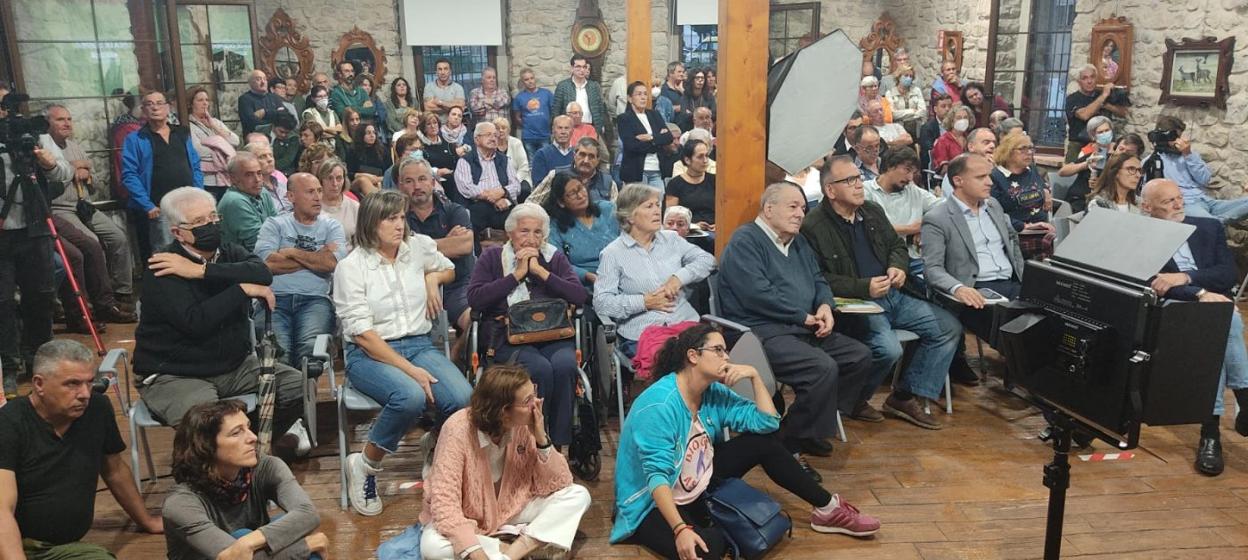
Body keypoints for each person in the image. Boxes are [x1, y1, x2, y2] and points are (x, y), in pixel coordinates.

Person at [610, 324, 880, 558]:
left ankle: (828, 508)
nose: (726, 357)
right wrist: (680, 529)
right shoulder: (660, 404)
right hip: (652, 500)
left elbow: (767, 423)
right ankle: (697, 523)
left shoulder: (712, 391)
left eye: (725, 350)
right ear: (693, 356)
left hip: (694, 478)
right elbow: (656, 476)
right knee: (709, 548)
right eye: (718, 350)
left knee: (764, 443)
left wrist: (754, 376)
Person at [333, 191, 473, 516]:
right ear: (371, 223)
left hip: (419, 344)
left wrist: (431, 278)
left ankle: (435, 444)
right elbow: (364, 336)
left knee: (463, 398)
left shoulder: (418, 247)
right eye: (390, 219)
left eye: (401, 217)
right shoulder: (351, 267)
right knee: (410, 396)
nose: (400, 225)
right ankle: (365, 465)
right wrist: (412, 371)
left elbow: (449, 268)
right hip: (369, 353)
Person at [134, 186, 305, 447]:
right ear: (177, 232)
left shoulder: (228, 253)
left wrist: (202, 272)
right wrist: (240, 289)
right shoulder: (163, 266)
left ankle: (251, 446)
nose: (211, 225)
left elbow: (262, 274)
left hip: (232, 365)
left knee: (298, 387)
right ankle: (215, 467)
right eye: (200, 222)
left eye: (214, 218)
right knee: (206, 419)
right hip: (176, 372)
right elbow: (195, 322)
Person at [802, 155, 961, 430]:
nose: (859, 185)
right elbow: (818, 278)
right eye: (849, 180)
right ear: (830, 190)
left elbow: (896, 247)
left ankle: (903, 395)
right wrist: (864, 287)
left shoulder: (872, 211)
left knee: (948, 328)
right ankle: (853, 400)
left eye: (858, 178)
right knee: (887, 350)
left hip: (893, 294)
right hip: (855, 303)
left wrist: (897, 267)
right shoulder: (814, 226)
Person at [719, 183, 874, 457]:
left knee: (859, 356)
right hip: (759, 331)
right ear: (769, 209)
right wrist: (802, 317)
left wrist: (825, 305)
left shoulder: (799, 242)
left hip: (803, 327)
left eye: (803, 208)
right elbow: (757, 295)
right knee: (822, 368)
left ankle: (798, 428)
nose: (801, 214)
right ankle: (795, 440)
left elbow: (818, 280)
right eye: (792, 207)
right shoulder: (745, 241)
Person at [0, 340, 164, 560]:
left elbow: (114, 470)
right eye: (72, 384)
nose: (85, 393)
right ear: (39, 384)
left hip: (57, 549)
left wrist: (147, 521)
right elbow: (2, 510)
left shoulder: (98, 409)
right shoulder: (9, 423)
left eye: (89, 382)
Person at [419, 365, 591, 560]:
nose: (537, 403)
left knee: (578, 495)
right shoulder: (456, 430)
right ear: (503, 412)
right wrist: (477, 554)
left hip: (512, 508)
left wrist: (542, 439)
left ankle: (512, 552)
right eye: (528, 401)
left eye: (534, 394)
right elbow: (445, 505)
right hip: (469, 517)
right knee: (433, 547)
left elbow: (559, 482)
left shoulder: (524, 425)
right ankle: (520, 543)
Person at [1138, 178, 1247, 476]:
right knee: (1226, 317)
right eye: (1168, 202)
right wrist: (1197, 292)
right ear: (1148, 207)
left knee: (1221, 320)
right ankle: (1244, 397)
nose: (1178, 205)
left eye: (1179, 198)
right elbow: (1153, 283)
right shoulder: (1143, 235)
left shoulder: (1208, 227)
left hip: (1206, 301)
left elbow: (1226, 274)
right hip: (1171, 307)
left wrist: (1184, 277)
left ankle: (1211, 432)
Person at [466, 203, 588, 449]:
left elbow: (579, 296)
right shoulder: (492, 257)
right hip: (507, 337)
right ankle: (534, 441)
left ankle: (558, 446)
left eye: (537, 232)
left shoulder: (553, 257)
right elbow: (475, 299)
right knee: (539, 369)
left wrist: (541, 273)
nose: (531, 238)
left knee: (565, 366)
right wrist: (517, 275)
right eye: (524, 231)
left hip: (553, 334)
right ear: (510, 232)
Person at [162, 400, 327, 560]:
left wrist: (249, 542)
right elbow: (234, 557)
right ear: (206, 447)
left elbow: (307, 513)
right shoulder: (180, 504)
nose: (253, 437)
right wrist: (305, 546)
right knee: (250, 536)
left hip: (254, 550)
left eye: (247, 427)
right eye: (236, 432)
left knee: (285, 527)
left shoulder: (266, 466)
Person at [595, 183, 714, 355]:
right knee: (673, 360)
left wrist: (678, 278)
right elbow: (602, 303)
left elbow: (707, 260)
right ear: (630, 217)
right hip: (642, 332)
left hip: (684, 323)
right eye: (649, 206)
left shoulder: (671, 239)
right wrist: (643, 302)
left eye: (658, 205)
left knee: (713, 355)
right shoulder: (612, 254)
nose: (657, 211)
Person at [921, 154, 1025, 342]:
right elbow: (932, 269)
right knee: (1016, 333)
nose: (990, 182)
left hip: (1012, 283)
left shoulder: (993, 205)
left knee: (1053, 317)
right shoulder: (938, 218)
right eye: (980, 177)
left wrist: (1024, 275)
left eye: (989, 175)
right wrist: (958, 288)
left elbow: (1012, 241)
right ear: (958, 181)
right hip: (975, 288)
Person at [43, 104, 136, 309]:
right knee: (91, 242)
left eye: (69, 119)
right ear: (47, 123)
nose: (66, 123)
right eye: (60, 120)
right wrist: (75, 167)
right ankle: (96, 300)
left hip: (83, 204)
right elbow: (52, 182)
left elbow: (90, 182)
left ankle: (123, 292)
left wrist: (87, 173)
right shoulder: (45, 151)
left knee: (118, 237)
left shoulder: (75, 146)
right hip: (60, 208)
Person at [255, 172, 346, 371]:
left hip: (315, 300)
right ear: (291, 197)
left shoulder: (332, 226)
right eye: (310, 192)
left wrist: (291, 252)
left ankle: (308, 401)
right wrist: (316, 255)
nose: (317, 197)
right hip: (274, 300)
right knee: (279, 358)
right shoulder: (274, 224)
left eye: (319, 191)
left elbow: (331, 263)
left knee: (311, 355)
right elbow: (268, 264)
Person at [399, 158, 475, 352]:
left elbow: (465, 245)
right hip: (412, 289)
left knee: (476, 322)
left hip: (458, 285)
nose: (417, 186)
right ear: (400, 186)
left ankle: (456, 360)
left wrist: (416, 245)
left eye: (422, 179)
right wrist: (446, 241)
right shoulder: (396, 217)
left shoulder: (454, 211)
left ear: (433, 182)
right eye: (409, 181)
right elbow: (398, 253)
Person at [122, 89, 204, 256]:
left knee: (192, 250)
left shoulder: (181, 133)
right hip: (159, 208)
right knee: (165, 254)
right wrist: (147, 205)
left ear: (168, 108)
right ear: (143, 110)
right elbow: (129, 175)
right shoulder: (136, 139)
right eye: (149, 104)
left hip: (187, 206)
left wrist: (198, 193)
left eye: (159, 103)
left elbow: (195, 166)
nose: (155, 108)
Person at [1145, 115, 1248, 223]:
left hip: (1205, 200)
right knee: (1211, 224)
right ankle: (1214, 223)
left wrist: (1188, 155)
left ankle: (1216, 222)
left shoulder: (1189, 154)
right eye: (1174, 137)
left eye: (1179, 136)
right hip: (1186, 204)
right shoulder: (1152, 162)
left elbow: (1205, 180)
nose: (1178, 141)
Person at [543, 170, 620, 286]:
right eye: (573, 193)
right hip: (586, 283)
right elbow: (558, 262)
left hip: (620, 272)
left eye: (581, 188)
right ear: (561, 202)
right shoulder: (555, 226)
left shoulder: (607, 209)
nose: (580, 195)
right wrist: (587, 276)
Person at [865, 148, 939, 263]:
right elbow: (871, 230)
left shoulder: (912, 190)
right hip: (883, 259)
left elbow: (944, 208)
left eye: (913, 173)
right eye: (907, 170)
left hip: (916, 257)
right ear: (890, 166)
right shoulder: (866, 191)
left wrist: (925, 228)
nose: (910, 178)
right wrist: (912, 229)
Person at [990, 131, 1055, 260]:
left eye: (1031, 148)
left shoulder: (1031, 170)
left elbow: (1040, 185)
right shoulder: (995, 177)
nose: (1029, 152)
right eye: (1023, 149)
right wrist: (1025, 226)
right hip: (1016, 235)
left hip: (1042, 231)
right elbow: (994, 213)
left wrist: (1046, 191)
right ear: (1008, 152)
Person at [455, 122, 520, 235]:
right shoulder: (465, 161)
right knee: (475, 214)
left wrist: (502, 192)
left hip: (503, 202)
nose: (493, 138)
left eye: (495, 135)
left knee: (520, 218)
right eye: (488, 135)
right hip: (478, 204)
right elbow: (466, 188)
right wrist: (490, 197)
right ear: (476, 139)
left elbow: (516, 185)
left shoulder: (504, 160)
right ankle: (476, 252)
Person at [1064, 64, 1128, 163]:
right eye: (1085, 78)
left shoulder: (1100, 95)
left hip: (1102, 145)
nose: (1089, 81)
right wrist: (1104, 96)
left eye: (1092, 77)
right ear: (1079, 82)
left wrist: (1107, 105)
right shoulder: (1072, 99)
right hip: (1079, 146)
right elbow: (1084, 115)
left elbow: (1123, 113)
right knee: (1074, 174)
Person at [618, 81, 675, 189]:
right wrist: (658, 140)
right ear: (630, 98)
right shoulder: (624, 118)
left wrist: (651, 137)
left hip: (657, 168)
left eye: (645, 94)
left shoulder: (655, 115)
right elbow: (632, 145)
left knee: (659, 201)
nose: (643, 97)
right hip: (637, 170)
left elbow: (668, 137)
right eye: (639, 94)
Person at [186, 87, 240, 199]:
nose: (205, 103)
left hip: (226, 179)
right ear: (191, 104)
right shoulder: (188, 125)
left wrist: (215, 127)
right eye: (200, 100)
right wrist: (225, 150)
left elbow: (235, 141)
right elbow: (198, 150)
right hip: (207, 179)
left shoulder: (216, 122)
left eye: (206, 100)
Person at [218, 152, 277, 253]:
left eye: (259, 173)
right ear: (233, 178)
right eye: (249, 175)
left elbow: (278, 227)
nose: (257, 180)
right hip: (242, 263)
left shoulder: (263, 192)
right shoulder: (235, 201)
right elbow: (258, 245)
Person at [1058, 115, 1114, 213]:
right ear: (1093, 136)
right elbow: (1063, 172)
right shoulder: (1090, 153)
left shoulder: (1117, 151)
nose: (1105, 134)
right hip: (1081, 199)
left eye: (1107, 130)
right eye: (1100, 132)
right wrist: (1086, 164)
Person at [665, 139, 716, 231]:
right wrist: (694, 226)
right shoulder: (675, 184)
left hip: (714, 230)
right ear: (687, 160)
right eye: (700, 157)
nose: (705, 160)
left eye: (707, 156)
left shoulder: (715, 180)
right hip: (688, 231)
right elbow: (671, 217)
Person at [512, 67, 555, 157]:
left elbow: (553, 112)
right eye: (526, 79)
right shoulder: (519, 97)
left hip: (545, 135)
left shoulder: (546, 94)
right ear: (523, 82)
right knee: (531, 164)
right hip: (528, 137)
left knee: (546, 161)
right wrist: (528, 124)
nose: (530, 81)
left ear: (535, 78)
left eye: (531, 78)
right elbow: (517, 117)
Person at [419, 112, 464, 199]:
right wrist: (438, 171)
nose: (433, 126)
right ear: (423, 128)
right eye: (428, 124)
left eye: (435, 123)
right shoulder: (421, 146)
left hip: (453, 177)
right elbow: (421, 168)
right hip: (433, 181)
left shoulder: (448, 143)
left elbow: (458, 161)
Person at [316, 158, 359, 248]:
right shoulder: (312, 206)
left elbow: (360, 244)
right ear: (320, 180)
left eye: (339, 178)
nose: (335, 183)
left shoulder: (355, 207)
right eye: (329, 178)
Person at [930, 104, 975, 179]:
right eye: (959, 118)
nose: (963, 120)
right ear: (952, 121)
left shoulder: (971, 138)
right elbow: (943, 169)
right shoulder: (943, 141)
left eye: (965, 117)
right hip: (951, 178)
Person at [238, 69, 289, 135]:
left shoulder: (274, 97)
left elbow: (285, 115)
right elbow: (252, 122)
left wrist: (265, 112)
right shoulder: (245, 99)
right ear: (250, 83)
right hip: (255, 138)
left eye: (265, 79)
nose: (263, 82)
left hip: (277, 138)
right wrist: (275, 121)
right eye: (258, 79)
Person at [884, 64, 926, 139]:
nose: (908, 78)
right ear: (899, 77)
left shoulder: (916, 91)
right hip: (898, 130)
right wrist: (912, 111)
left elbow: (922, 111)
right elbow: (893, 114)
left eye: (911, 76)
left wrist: (902, 115)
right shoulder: (890, 93)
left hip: (916, 130)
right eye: (906, 75)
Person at [530, 115, 575, 186]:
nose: (563, 132)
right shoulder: (542, 154)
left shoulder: (577, 154)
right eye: (560, 128)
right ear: (553, 130)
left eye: (566, 128)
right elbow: (538, 185)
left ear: (572, 131)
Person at [919, 93, 953, 188]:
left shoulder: (955, 127)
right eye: (943, 106)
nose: (947, 109)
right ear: (935, 109)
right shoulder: (927, 128)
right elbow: (929, 150)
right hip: (936, 167)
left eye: (950, 106)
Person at [249, 142, 292, 213]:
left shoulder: (283, 185)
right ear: (250, 162)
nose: (270, 159)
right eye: (262, 156)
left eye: (271, 155)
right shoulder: (252, 191)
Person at [493, 117, 532, 191]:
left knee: (524, 190)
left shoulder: (516, 143)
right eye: (497, 128)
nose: (501, 130)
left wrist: (513, 182)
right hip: (497, 181)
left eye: (503, 128)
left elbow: (524, 167)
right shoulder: (491, 145)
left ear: (508, 130)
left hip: (519, 177)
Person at [424, 57, 466, 123]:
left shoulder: (458, 88)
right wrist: (452, 106)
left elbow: (461, 107)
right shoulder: (429, 87)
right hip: (435, 126)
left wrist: (440, 102)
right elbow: (428, 108)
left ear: (450, 72)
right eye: (440, 69)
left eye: (445, 69)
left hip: (454, 126)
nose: (443, 72)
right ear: (436, 72)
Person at [301, 85, 343, 149]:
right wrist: (333, 132)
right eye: (320, 96)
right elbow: (316, 132)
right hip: (317, 147)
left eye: (325, 96)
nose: (323, 99)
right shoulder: (309, 113)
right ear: (313, 98)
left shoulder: (332, 112)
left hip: (333, 146)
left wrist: (324, 128)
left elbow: (339, 129)